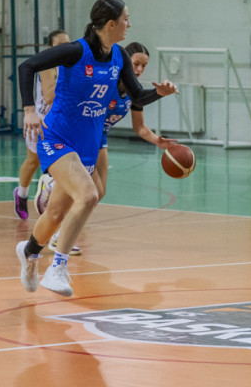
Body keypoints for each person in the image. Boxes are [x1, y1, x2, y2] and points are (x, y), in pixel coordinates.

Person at [15, 0, 177, 296]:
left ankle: (29, 251)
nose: (129, 24)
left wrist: (160, 94)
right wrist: (29, 110)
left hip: (87, 143)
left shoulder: (119, 56)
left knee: (54, 216)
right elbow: (28, 67)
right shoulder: (76, 51)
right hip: (57, 138)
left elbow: (137, 96)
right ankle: (58, 268)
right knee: (89, 196)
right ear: (111, 23)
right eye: (126, 18)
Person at [33, 42, 178, 256]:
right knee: (83, 191)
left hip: (100, 136)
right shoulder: (105, 83)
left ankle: (55, 193)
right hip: (81, 133)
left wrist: (158, 140)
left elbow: (139, 126)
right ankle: (56, 229)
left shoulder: (133, 91)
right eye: (136, 64)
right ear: (126, 62)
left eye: (143, 66)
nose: (138, 70)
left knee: (98, 193)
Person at [13, 29, 69, 220]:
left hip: (61, 123)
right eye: (60, 45)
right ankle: (21, 194)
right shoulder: (47, 66)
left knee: (62, 162)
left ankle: (57, 206)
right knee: (32, 161)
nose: (66, 49)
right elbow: (50, 96)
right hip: (41, 121)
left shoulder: (72, 65)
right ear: (50, 48)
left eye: (68, 44)